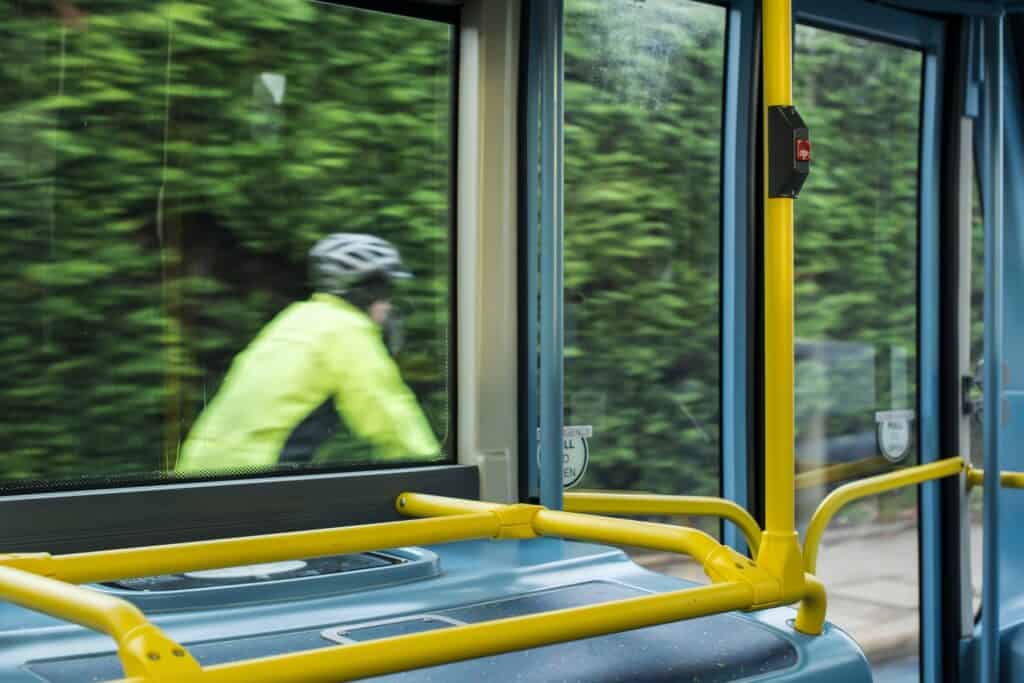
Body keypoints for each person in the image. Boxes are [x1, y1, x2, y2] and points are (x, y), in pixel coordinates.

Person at [176, 234, 440, 473]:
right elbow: (391, 419)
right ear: (369, 292)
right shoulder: (347, 331)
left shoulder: (297, 317)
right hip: (256, 479)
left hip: (197, 470)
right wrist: (434, 476)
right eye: (387, 293)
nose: (388, 306)